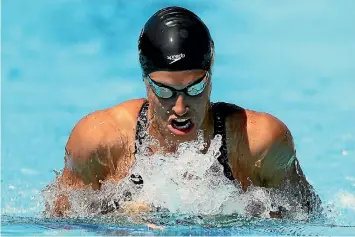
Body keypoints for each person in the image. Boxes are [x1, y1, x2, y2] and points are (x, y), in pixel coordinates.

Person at [47, 6, 321, 218]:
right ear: (146, 81)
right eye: (165, 91)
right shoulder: (101, 141)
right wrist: (121, 222)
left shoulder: (258, 143)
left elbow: (308, 219)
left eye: (195, 87)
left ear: (211, 74)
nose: (180, 107)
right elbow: (59, 223)